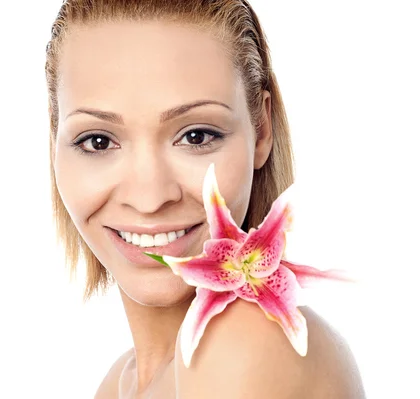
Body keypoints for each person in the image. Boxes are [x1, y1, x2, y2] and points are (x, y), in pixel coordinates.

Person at [45, 0, 365, 397]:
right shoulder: (118, 383)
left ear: (261, 130)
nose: (149, 198)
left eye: (196, 136)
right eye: (98, 141)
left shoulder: (242, 340)